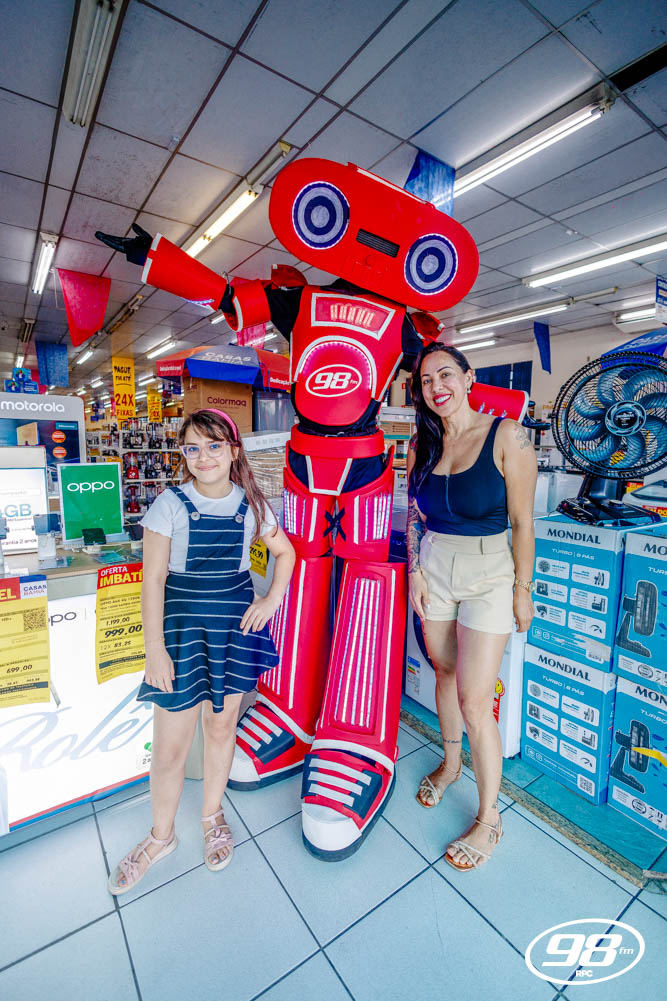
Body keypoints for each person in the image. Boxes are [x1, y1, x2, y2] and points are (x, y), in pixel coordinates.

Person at [107, 408, 295, 894]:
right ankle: (161, 837)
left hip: (231, 632)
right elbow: (152, 580)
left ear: (233, 451)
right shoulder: (169, 504)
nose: (204, 457)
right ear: (184, 454)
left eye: (214, 446)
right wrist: (154, 650)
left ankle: (212, 815)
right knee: (170, 749)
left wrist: (271, 600)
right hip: (180, 635)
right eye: (193, 448)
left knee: (220, 728)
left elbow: (286, 554)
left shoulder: (252, 504)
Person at [406, 342, 536, 872]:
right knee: (443, 670)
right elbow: (413, 514)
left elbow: (523, 522)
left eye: (445, 375)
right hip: (435, 566)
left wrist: (522, 589)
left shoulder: (507, 435)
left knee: (476, 701)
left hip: (489, 573)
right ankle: (451, 763)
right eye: (426, 380)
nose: (436, 387)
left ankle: (489, 817)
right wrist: (415, 569)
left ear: (467, 377)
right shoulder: (422, 443)